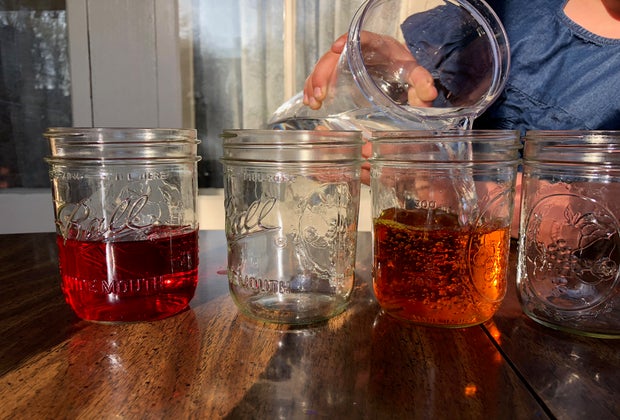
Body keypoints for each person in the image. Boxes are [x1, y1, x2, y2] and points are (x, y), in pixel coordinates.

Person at [301, 0, 620, 236]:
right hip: (428, 253)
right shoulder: (510, 9)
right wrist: (382, 72)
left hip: (554, 286)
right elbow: (426, 93)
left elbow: (593, 220)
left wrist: (440, 186)